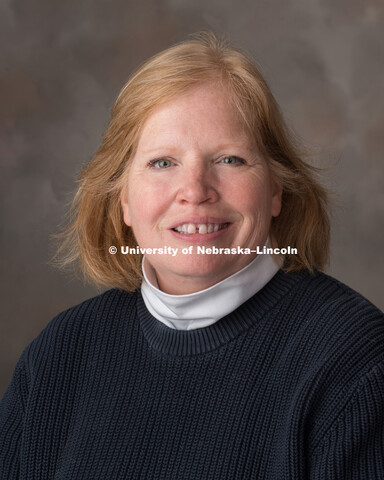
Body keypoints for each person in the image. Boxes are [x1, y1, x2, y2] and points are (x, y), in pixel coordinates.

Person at [1, 32, 383, 479]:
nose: (195, 191)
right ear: (122, 199)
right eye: (163, 162)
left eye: (230, 160)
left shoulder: (357, 365)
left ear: (276, 189)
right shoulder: (58, 356)